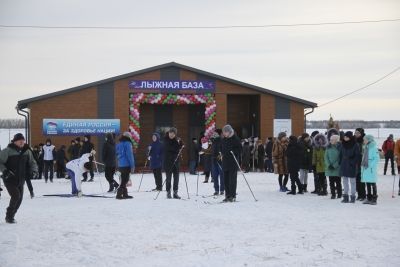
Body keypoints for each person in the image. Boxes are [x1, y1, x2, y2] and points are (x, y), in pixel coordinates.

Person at [0, 133, 38, 223]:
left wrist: (34, 171)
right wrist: (5, 171)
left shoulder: (27, 151)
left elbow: (33, 162)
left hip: (21, 179)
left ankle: (11, 215)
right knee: (16, 195)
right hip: (9, 178)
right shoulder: (7, 151)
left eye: (23, 140)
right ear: (15, 141)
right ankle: (9, 216)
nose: (21, 142)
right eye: (19, 140)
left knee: (19, 199)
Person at [221, 124, 242, 202]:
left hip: (233, 162)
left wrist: (233, 152)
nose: (224, 134)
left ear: (229, 132)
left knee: (232, 180)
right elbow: (221, 148)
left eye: (225, 132)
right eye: (223, 132)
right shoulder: (223, 139)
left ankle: (232, 196)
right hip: (225, 162)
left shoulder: (235, 139)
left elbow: (240, 149)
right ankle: (227, 195)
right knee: (225, 180)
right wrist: (221, 153)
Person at [340, 131, 360, 203]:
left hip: (352, 165)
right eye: (344, 137)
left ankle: (353, 197)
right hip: (344, 164)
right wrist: (340, 163)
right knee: (344, 181)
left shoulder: (355, 145)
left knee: (352, 181)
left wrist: (352, 162)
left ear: (350, 137)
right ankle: (345, 196)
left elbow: (357, 156)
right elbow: (341, 154)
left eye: (346, 137)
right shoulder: (343, 144)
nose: (345, 138)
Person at [163, 127, 183, 199]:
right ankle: (168, 192)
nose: (171, 135)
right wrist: (177, 146)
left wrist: (180, 143)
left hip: (176, 162)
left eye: (173, 133)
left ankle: (175, 192)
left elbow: (181, 147)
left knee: (176, 178)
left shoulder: (177, 140)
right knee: (168, 178)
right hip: (168, 162)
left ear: (175, 134)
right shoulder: (166, 140)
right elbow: (170, 148)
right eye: (170, 133)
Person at [116, 132, 135, 199]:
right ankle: (119, 194)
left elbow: (116, 154)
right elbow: (130, 155)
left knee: (123, 179)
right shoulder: (128, 144)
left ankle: (125, 194)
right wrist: (132, 165)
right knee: (125, 180)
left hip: (120, 164)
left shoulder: (119, 144)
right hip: (126, 164)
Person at [361, 135, 379, 205]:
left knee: (372, 183)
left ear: (369, 140)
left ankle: (374, 199)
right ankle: (369, 198)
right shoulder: (366, 147)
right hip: (366, 168)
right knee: (367, 183)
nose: (364, 141)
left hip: (370, 169)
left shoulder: (374, 148)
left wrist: (370, 165)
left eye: (365, 139)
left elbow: (377, 159)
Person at [325, 135, 342, 199]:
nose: (330, 141)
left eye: (332, 139)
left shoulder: (340, 148)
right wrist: (328, 165)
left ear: (336, 140)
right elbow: (326, 157)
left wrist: (335, 165)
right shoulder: (328, 147)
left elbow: (340, 158)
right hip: (330, 168)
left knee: (338, 182)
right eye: (330, 139)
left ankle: (339, 194)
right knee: (331, 182)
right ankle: (333, 194)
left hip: (337, 168)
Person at [211, 129, 224, 196]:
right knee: (215, 176)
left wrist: (220, 155)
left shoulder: (221, 141)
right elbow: (212, 151)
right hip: (214, 161)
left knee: (222, 176)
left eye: (215, 133)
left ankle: (222, 190)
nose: (213, 134)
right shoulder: (213, 141)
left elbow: (222, 150)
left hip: (220, 161)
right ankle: (216, 190)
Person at [354, 128, 366, 201]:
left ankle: (363, 195)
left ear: (361, 133)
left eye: (358, 133)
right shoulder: (354, 140)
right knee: (356, 180)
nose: (356, 134)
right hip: (355, 162)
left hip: (362, 162)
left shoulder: (364, 140)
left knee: (361, 180)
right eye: (355, 133)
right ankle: (359, 194)